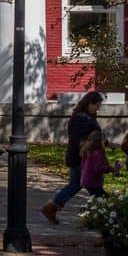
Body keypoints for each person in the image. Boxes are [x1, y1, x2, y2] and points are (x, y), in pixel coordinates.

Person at [41, 90, 104, 224]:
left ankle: (51, 207)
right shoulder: (82, 118)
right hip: (81, 158)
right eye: (97, 105)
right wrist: (87, 154)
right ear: (89, 104)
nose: (98, 108)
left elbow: (92, 136)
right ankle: (109, 211)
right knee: (94, 187)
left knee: (76, 184)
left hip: (80, 157)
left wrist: (105, 142)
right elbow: (80, 140)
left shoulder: (86, 116)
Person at [79, 124, 120, 196]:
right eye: (104, 141)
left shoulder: (89, 151)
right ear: (98, 142)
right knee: (104, 199)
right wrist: (111, 169)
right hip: (93, 182)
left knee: (98, 199)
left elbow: (83, 166)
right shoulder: (97, 153)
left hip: (88, 180)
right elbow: (98, 168)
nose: (105, 143)